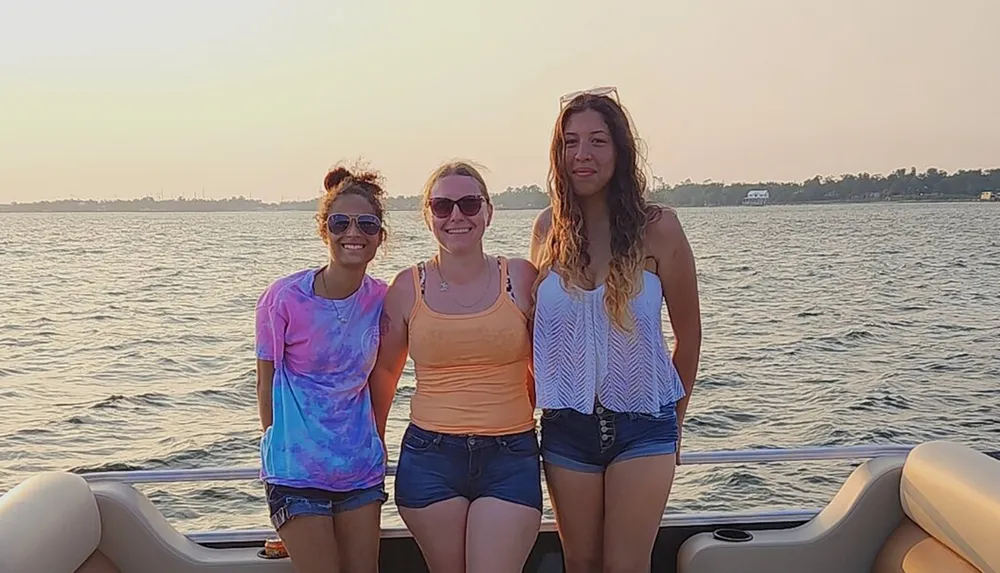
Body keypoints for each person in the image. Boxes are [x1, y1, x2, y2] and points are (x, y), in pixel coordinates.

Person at [529, 87, 702, 573]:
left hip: (644, 426)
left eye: (597, 141)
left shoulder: (660, 228)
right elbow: (531, 337)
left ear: (621, 151)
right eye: (570, 142)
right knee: (579, 562)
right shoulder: (548, 230)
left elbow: (688, 338)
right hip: (566, 428)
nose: (582, 155)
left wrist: (676, 426)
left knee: (626, 564)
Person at [369, 161, 541, 573]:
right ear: (427, 215)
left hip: (510, 454)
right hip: (430, 457)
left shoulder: (520, 276)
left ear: (488, 211)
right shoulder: (406, 287)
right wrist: (373, 449)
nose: (457, 216)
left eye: (468, 203)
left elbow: (546, 366)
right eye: (442, 206)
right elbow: (384, 378)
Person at [255, 165, 390, 573]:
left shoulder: (385, 299)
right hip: (296, 472)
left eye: (366, 224)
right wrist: (279, 447)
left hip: (361, 471)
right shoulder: (283, 298)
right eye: (340, 223)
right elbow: (265, 386)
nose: (354, 233)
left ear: (380, 236)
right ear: (323, 230)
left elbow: (385, 379)